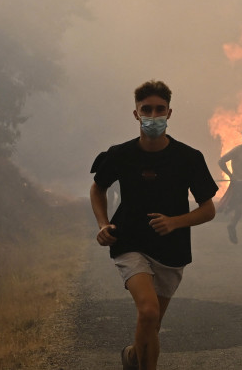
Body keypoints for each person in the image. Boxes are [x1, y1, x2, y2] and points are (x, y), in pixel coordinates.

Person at [89, 80, 219, 370]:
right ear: (135, 114)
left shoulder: (189, 158)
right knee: (147, 312)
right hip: (129, 242)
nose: (153, 116)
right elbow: (97, 188)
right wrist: (103, 223)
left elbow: (208, 209)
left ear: (169, 113)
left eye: (159, 109)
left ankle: (134, 357)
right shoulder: (120, 154)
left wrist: (175, 222)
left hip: (171, 251)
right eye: (146, 109)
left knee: (152, 326)